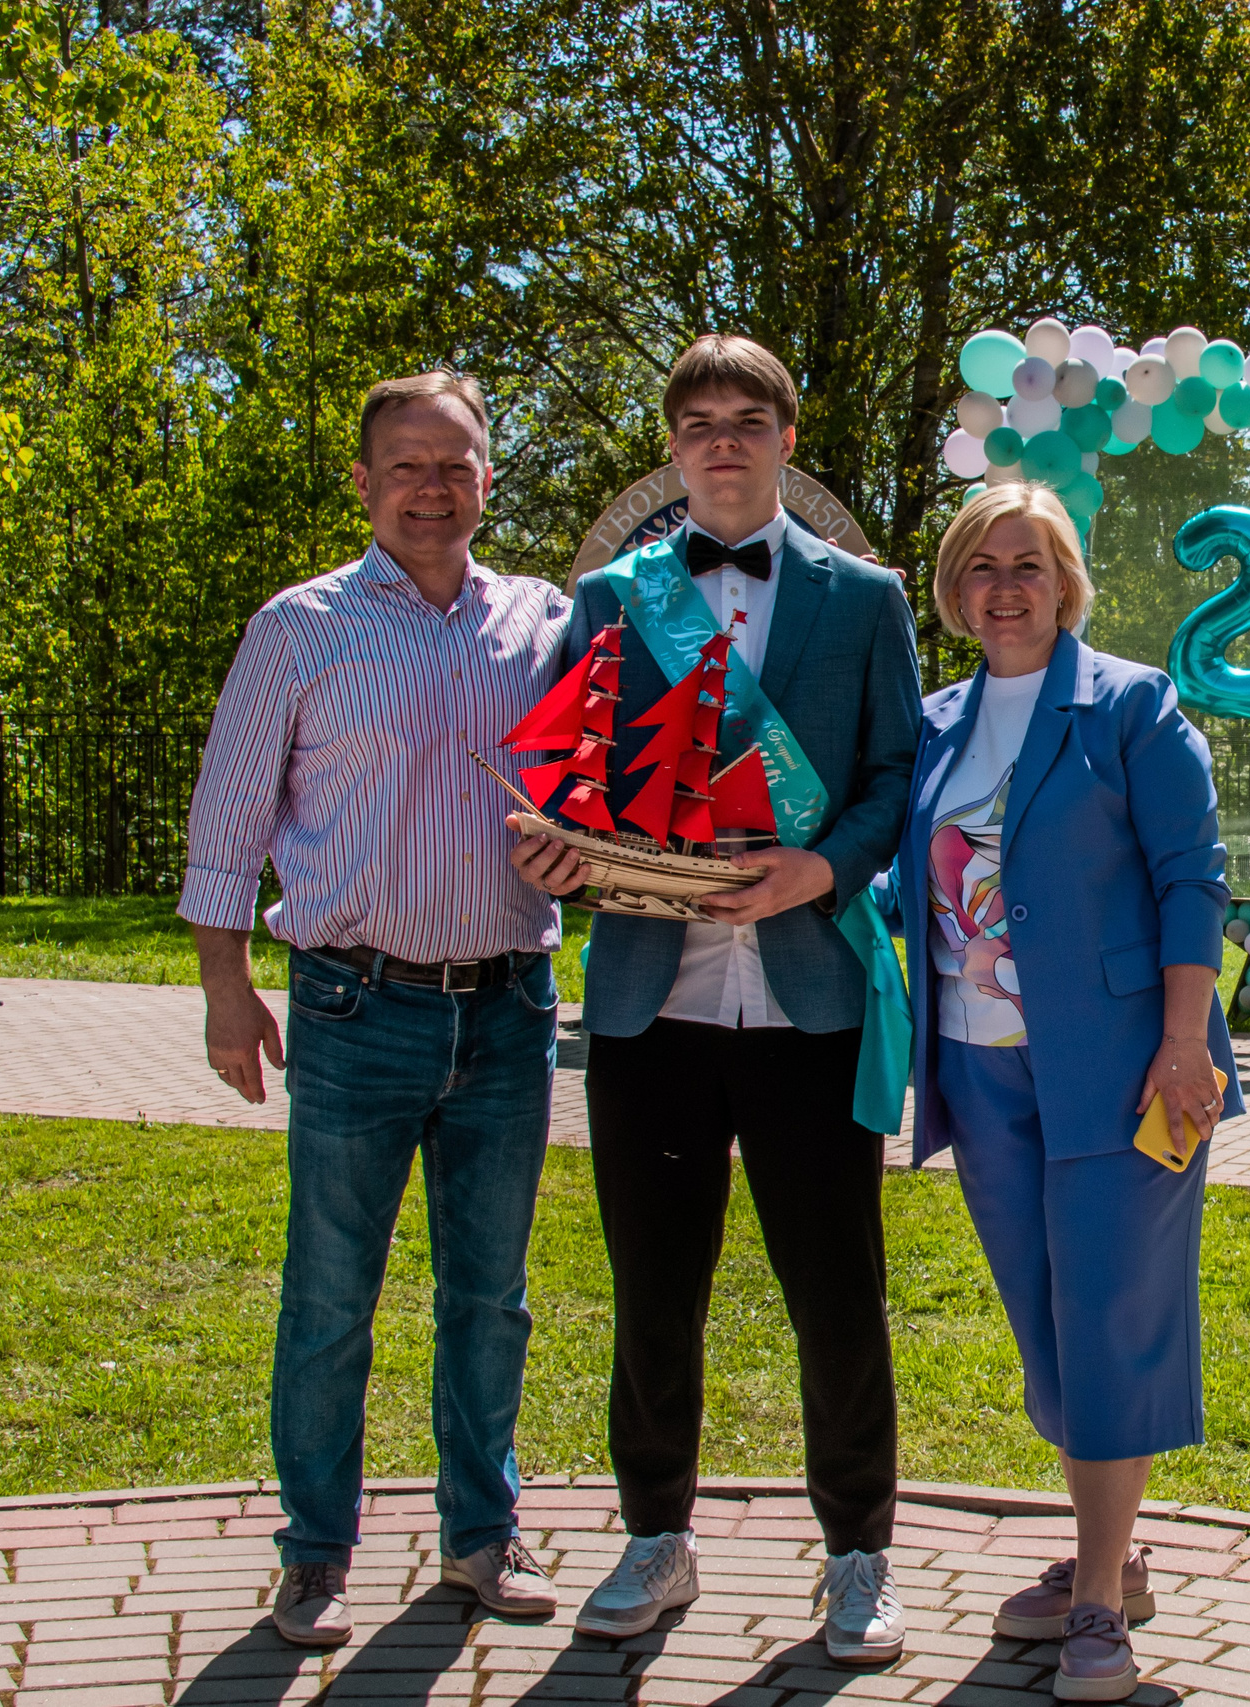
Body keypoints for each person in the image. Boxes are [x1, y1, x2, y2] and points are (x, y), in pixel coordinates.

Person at [509, 334, 921, 1658]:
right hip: (652, 1009)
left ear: (787, 439)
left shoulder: (868, 599)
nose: (724, 442)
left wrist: (821, 866)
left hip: (813, 1008)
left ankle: (858, 1555)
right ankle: (655, 1537)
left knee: (837, 1298)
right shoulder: (611, 597)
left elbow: (897, 778)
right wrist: (556, 848)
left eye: (748, 420)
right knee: (653, 1294)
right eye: (700, 424)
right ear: (675, 449)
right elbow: (570, 773)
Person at [181, 372, 570, 1648]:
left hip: (509, 1010)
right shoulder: (299, 628)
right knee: (329, 1299)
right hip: (355, 1008)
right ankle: (315, 1555)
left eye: (454, 465)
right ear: (363, 482)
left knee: (490, 1298)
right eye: (405, 465)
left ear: (487, 481)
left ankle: (480, 1535)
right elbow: (228, 819)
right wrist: (226, 992)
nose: (430, 488)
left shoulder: (544, 624)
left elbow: (603, 784)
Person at [883, 481, 1241, 1702]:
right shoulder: (933, 723)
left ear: (1066, 582)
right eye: (981, 567)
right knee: (1045, 1323)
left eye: (1027, 564)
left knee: (1109, 1320)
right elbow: (903, 882)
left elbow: (1193, 877)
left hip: (1125, 1070)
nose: (1005, 588)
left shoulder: (1131, 704)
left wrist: (1184, 1040)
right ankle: (1114, 1557)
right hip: (977, 1068)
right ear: (953, 590)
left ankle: (1096, 1602)